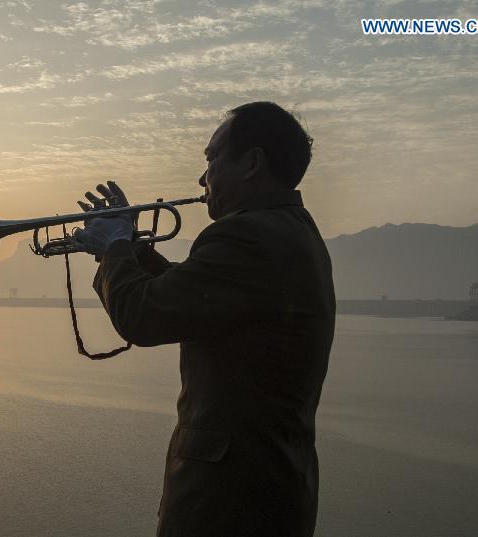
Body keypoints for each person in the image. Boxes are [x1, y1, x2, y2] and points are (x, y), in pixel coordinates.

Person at [71, 101, 336, 537]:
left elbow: (142, 317)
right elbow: (192, 295)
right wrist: (130, 245)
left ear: (251, 163)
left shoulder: (249, 236)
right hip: (270, 488)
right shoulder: (289, 231)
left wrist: (117, 247)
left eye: (211, 159)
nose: (202, 177)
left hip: (231, 501)